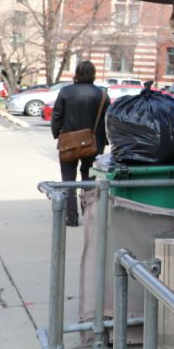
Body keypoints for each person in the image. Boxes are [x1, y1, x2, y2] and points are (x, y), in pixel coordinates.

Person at [50, 61, 110, 227]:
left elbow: (57, 116)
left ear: (76, 73)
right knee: (89, 180)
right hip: (93, 144)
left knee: (68, 180)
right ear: (93, 74)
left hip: (68, 142)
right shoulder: (102, 95)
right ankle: (88, 215)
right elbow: (108, 121)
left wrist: (57, 134)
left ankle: (72, 217)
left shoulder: (65, 92)